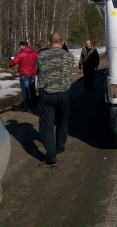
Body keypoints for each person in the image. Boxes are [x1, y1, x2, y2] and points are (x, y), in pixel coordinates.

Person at [35, 32, 75, 168]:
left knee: (47, 124)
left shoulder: (42, 55)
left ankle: (51, 157)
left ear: (49, 42)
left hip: (47, 92)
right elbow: (70, 71)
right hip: (64, 92)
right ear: (62, 42)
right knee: (62, 120)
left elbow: (37, 70)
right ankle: (60, 146)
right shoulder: (69, 56)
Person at [9, 41, 38, 112]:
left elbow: (14, 62)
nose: (19, 47)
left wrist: (10, 62)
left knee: (25, 91)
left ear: (22, 46)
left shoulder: (20, 53)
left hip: (24, 74)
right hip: (32, 73)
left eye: (20, 46)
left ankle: (26, 107)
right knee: (32, 90)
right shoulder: (35, 53)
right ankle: (34, 106)